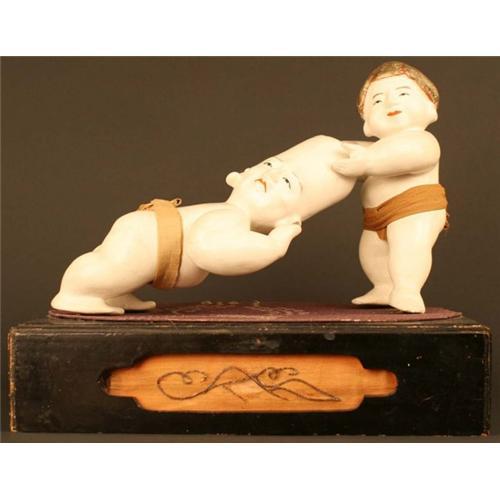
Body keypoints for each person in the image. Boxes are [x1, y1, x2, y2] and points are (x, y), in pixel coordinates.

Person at [332, 61, 448, 313]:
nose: (390, 102)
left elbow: (408, 157)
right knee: (372, 253)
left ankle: (407, 289)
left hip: (414, 207)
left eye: (403, 93)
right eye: (376, 100)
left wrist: (367, 163)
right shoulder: (373, 149)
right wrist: (335, 154)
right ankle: (384, 286)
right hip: (375, 217)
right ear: (367, 125)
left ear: (430, 108)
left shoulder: (422, 140)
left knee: (408, 247)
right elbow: (356, 154)